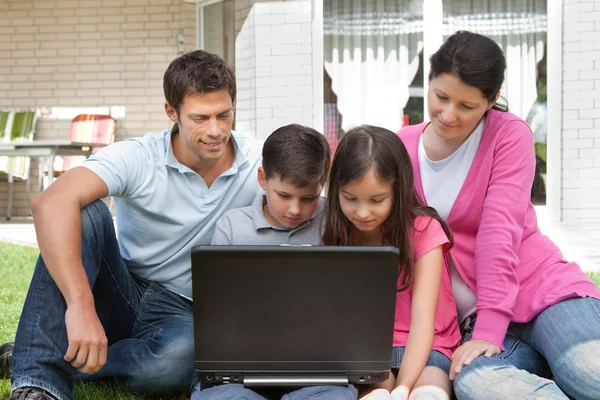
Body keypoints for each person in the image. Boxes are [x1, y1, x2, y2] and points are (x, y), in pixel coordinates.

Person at [4, 50, 263, 400]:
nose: (216, 130)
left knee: (177, 363)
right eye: (200, 118)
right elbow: (49, 203)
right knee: (84, 213)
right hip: (122, 288)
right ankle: (38, 381)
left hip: (184, 308)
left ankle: (42, 352)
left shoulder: (258, 164)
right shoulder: (140, 156)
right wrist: (80, 306)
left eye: (224, 114)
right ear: (172, 112)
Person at [397, 30, 600, 400]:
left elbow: (498, 232)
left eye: (467, 106)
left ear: (491, 101)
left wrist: (489, 327)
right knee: (478, 384)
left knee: (587, 371)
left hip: (544, 294)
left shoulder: (509, 135)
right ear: (428, 80)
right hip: (474, 324)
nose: (448, 114)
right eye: (441, 96)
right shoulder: (402, 146)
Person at [192, 123, 357, 400]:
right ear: (262, 178)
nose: (295, 209)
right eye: (284, 196)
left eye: (309, 198)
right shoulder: (233, 226)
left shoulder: (335, 219)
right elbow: (215, 308)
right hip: (241, 364)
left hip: (317, 363)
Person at [322, 125, 461, 400]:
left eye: (377, 200)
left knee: (428, 395)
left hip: (430, 345)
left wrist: (404, 387)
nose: (362, 212)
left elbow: (423, 322)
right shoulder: (337, 235)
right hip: (370, 353)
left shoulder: (424, 230)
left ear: (398, 191)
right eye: (350, 199)